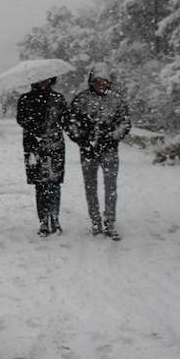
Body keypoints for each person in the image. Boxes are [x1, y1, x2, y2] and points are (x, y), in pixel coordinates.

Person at [66, 66, 131, 239]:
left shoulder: (116, 100)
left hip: (109, 150)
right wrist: (81, 139)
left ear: (109, 82)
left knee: (110, 187)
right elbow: (71, 122)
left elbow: (125, 123)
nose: (101, 84)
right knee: (90, 187)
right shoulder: (81, 99)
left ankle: (110, 221)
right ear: (91, 82)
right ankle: (95, 221)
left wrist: (112, 137)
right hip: (88, 151)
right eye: (97, 81)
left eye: (104, 82)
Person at [16, 77, 68, 236]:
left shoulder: (58, 98)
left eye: (46, 80)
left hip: (55, 145)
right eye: (39, 80)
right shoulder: (25, 99)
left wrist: (55, 124)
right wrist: (37, 127)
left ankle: (54, 216)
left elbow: (65, 119)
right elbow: (21, 119)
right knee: (40, 184)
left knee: (54, 182)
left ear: (51, 80)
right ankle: (44, 219)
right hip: (34, 146)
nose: (43, 83)